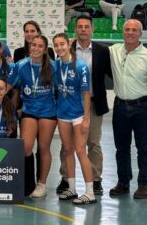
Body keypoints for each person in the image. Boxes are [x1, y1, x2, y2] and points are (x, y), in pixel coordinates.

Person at [57, 16, 112, 196]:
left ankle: (95, 180)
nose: (83, 30)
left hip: (93, 104)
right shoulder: (66, 48)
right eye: (79, 27)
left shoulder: (103, 51)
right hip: (69, 105)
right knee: (67, 145)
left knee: (93, 142)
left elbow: (112, 74)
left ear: (92, 29)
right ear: (75, 30)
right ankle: (66, 179)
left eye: (86, 26)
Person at [108, 19, 147, 200]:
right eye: (127, 29)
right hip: (120, 106)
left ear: (141, 33)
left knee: (143, 147)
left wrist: (146, 97)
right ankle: (123, 182)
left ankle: (144, 184)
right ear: (122, 32)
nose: (130, 33)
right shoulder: (113, 51)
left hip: (142, 107)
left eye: (134, 30)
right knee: (121, 148)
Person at [7, 35, 57, 198]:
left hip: (48, 112)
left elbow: (63, 89)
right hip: (29, 111)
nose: (35, 48)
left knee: (43, 148)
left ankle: (41, 184)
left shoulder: (53, 67)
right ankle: (27, 183)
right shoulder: (20, 66)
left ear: (45, 49)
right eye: (33, 45)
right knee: (26, 146)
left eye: (39, 46)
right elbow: (7, 86)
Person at [52, 33, 95, 205]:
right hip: (62, 114)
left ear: (69, 44)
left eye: (62, 44)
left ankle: (90, 192)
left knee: (80, 151)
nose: (59, 48)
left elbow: (86, 94)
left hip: (78, 115)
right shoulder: (56, 65)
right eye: (56, 45)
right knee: (67, 150)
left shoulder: (80, 66)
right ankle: (72, 188)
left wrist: (86, 118)